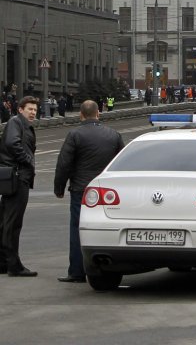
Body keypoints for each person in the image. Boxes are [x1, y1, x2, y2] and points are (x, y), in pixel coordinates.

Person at [53, 100, 125, 282]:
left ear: (81, 115)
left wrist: (59, 187)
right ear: (98, 113)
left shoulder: (75, 134)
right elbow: (122, 163)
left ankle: (77, 271)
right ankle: (107, 266)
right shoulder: (113, 135)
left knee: (78, 228)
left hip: (80, 190)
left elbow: (64, 164)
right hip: (106, 192)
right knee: (105, 227)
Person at [0, 96, 39, 276]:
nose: (33, 112)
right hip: (17, 178)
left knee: (6, 221)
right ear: (20, 109)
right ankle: (14, 266)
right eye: (30, 109)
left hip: (16, 177)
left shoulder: (22, 125)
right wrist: (28, 161)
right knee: (13, 223)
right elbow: (12, 143)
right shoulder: (16, 122)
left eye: (35, 110)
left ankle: (4, 263)